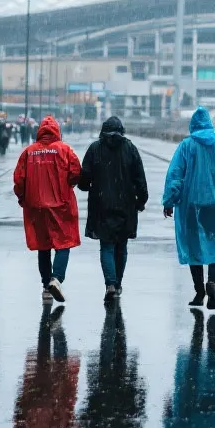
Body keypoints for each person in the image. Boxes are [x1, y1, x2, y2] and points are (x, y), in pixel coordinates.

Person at [161, 107, 215, 310]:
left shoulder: (186, 146)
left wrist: (169, 201)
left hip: (191, 206)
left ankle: (199, 291)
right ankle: (213, 282)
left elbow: (175, 176)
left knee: (193, 246)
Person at [79, 117, 149, 301]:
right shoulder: (130, 149)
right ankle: (117, 283)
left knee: (107, 245)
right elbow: (140, 178)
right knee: (122, 245)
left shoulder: (95, 148)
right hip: (125, 204)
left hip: (101, 204)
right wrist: (141, 200)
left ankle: (110, 283)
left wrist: (87, 185)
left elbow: (84, 177)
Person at [13, 116, 82, 303]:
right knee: (64, 243)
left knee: (43, 247)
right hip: (61, 206)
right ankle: (56, 279)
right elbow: (76, 172)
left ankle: (46, 286)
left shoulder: (29, 152)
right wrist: (66, 185)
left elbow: (19, 180)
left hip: (36, 207)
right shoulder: (65, 150)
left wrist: (23, 198)